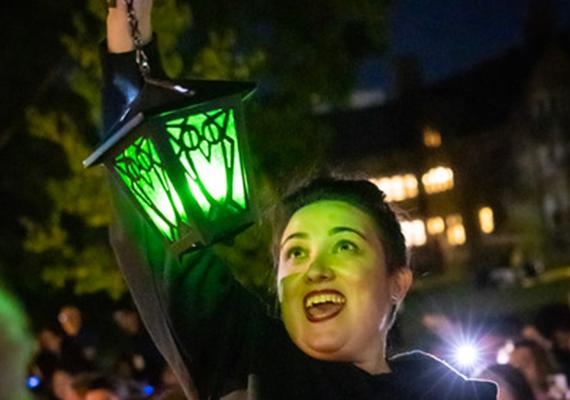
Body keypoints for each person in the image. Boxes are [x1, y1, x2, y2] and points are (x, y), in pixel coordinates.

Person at [100, 1, 498, 399]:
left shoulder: (448, 393)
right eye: (295, 253)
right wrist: (128, 42)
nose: (316, 270)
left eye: (345, 246)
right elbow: (156, 218)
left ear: (398, 282)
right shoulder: (253, 363)